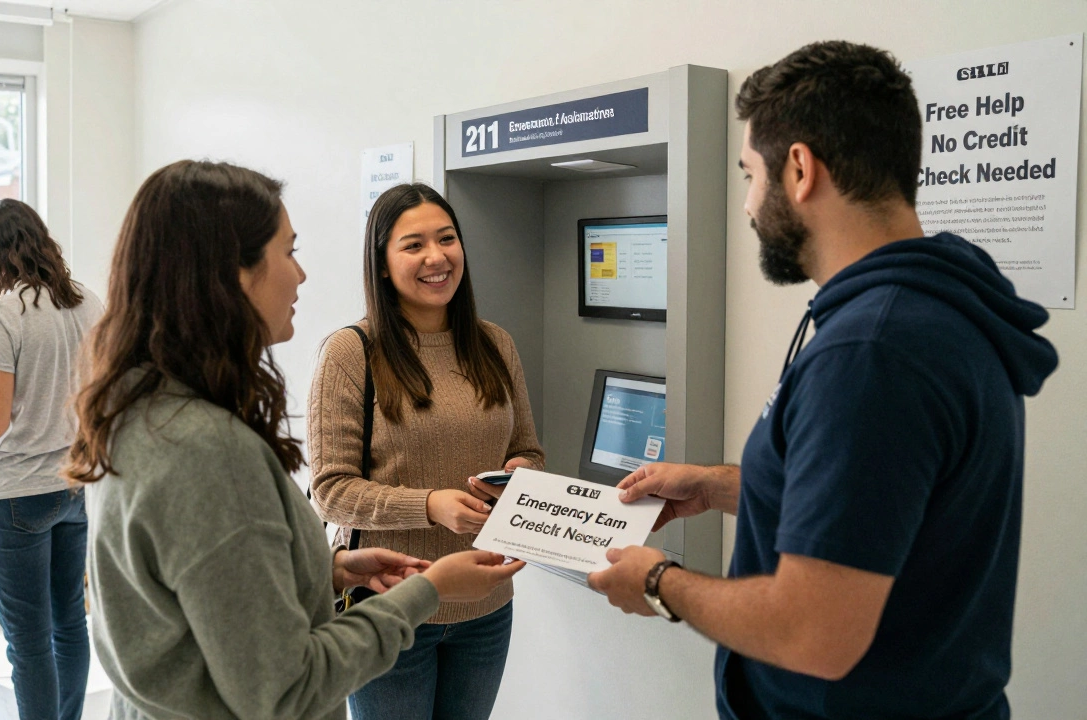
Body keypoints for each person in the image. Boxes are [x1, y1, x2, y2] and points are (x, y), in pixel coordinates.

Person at [588, 40, 1058, 720]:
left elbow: (815, 634)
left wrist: (659, 581)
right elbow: (880, 502)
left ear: (800, 168)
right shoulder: (937, 311)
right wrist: (717, 487)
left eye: (750, 174)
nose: (749, 206)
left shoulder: (871, 352)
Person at [64, 160, 524, 720]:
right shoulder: (207, 449)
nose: (301, 276)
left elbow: (200, 586)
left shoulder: (137, 409)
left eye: (447, 239)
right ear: (233, 273)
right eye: (290, 252)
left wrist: (317, 570)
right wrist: (427, 590)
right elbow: (284, 689)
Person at [310, 182, 544, 720]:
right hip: (391, 607)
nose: (436, 257)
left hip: (486, 606)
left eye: (447, 239)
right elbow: (329, 490)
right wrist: (430, 504)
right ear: (383, 262)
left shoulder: (495, 343)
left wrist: (522, 473)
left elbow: (528, 448)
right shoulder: (351, 351)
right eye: (413, 245)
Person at [0, 199, 103, 720]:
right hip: (71, 485)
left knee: (28, 644)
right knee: (69, 625)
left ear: (2, 252)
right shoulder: (85, 303)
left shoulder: (3, 312)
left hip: (14, 494)